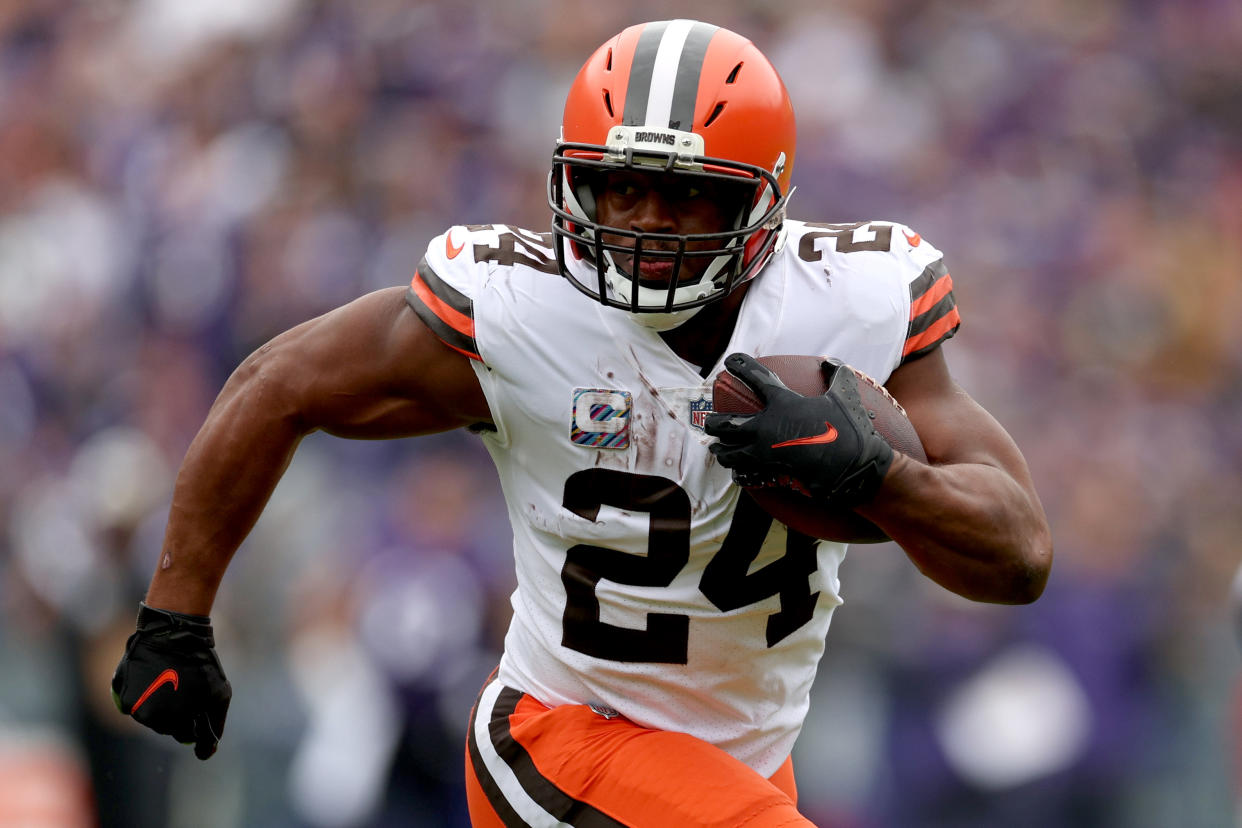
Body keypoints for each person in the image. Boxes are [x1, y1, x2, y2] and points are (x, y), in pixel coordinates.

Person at [111, 19, 1052, 827]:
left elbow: (1019, 555)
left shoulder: (849, 304)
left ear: (760, 199)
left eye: (689, 193)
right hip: (558, 737)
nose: (648, 222)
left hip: (737, 767)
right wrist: (174, 618)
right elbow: (275, 385)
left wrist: (876, 476)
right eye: (621, 187)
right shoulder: (521, 311)